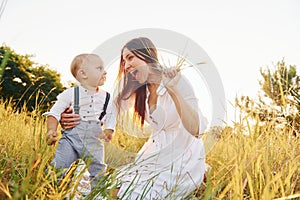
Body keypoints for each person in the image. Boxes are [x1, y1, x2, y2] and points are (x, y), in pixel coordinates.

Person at [60, 37, 207, 199]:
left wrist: (173, 89)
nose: (126, 65)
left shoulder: (177, 80)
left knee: (129, 195)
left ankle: (201, 172)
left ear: (148, 55)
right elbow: (108, 109)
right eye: (124, 61)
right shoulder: (138, 89)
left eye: (130, 57)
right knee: (97, 191)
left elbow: (196, 130)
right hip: (154, 152)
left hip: (182, 155)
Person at [44, 53, 116, 190]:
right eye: (99, 68)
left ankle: (98, 193)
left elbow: (112, 114)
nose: (105, 71)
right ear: (83, 73)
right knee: (59, 165)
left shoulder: (107, 97)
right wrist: (51, 130)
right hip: (70, 140)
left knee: (98, 169)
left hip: (94, 141)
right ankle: (49, 189)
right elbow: (54, 113)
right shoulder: (70, 94)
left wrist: (109, 129)